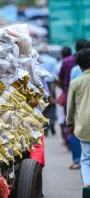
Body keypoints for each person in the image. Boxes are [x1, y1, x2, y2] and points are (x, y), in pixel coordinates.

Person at [58, 39, 88, 169]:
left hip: (78, 106)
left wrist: (69, 122)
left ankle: (77, 160)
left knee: (76, 133)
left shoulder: (71, 67)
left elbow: (65, 83)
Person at [66, 48, 90, 191]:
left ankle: (88, 185)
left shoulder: (76, 82)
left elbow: (71, 107)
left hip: (84, 127)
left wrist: (70, 123)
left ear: (79, 66)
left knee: (86, 159)